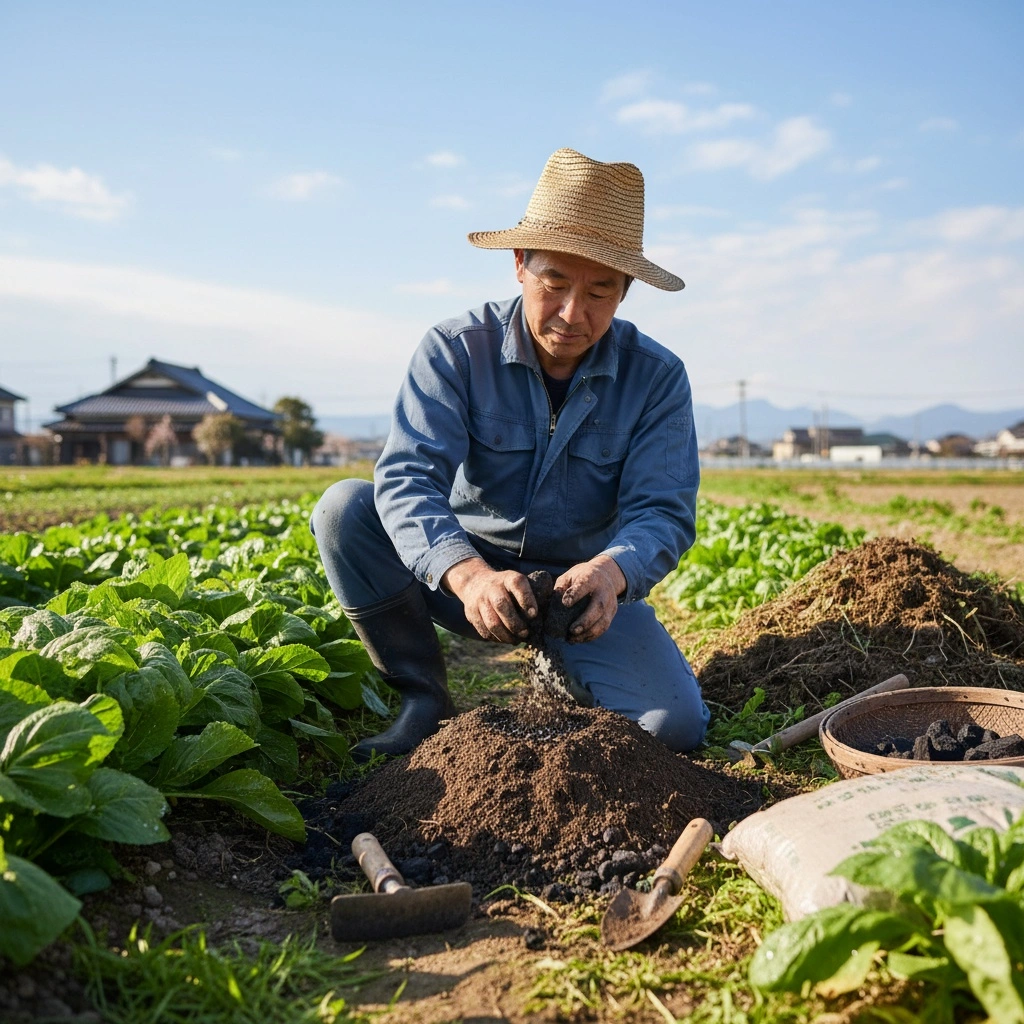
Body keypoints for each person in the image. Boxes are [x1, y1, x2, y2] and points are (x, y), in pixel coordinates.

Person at [313, 147, 709, 761]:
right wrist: (469, 576)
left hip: (581, 589)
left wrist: (612, 572)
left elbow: (663, 510)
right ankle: (422, 695)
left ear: (625, 291)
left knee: (673, 729)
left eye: (600, 292)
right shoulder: (455, 350)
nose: (573, 315)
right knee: (345, 510)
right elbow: (409, 477)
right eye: (554, 283)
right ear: (520, 265)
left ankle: (567, 665)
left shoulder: (655, 378)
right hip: (469, 569)